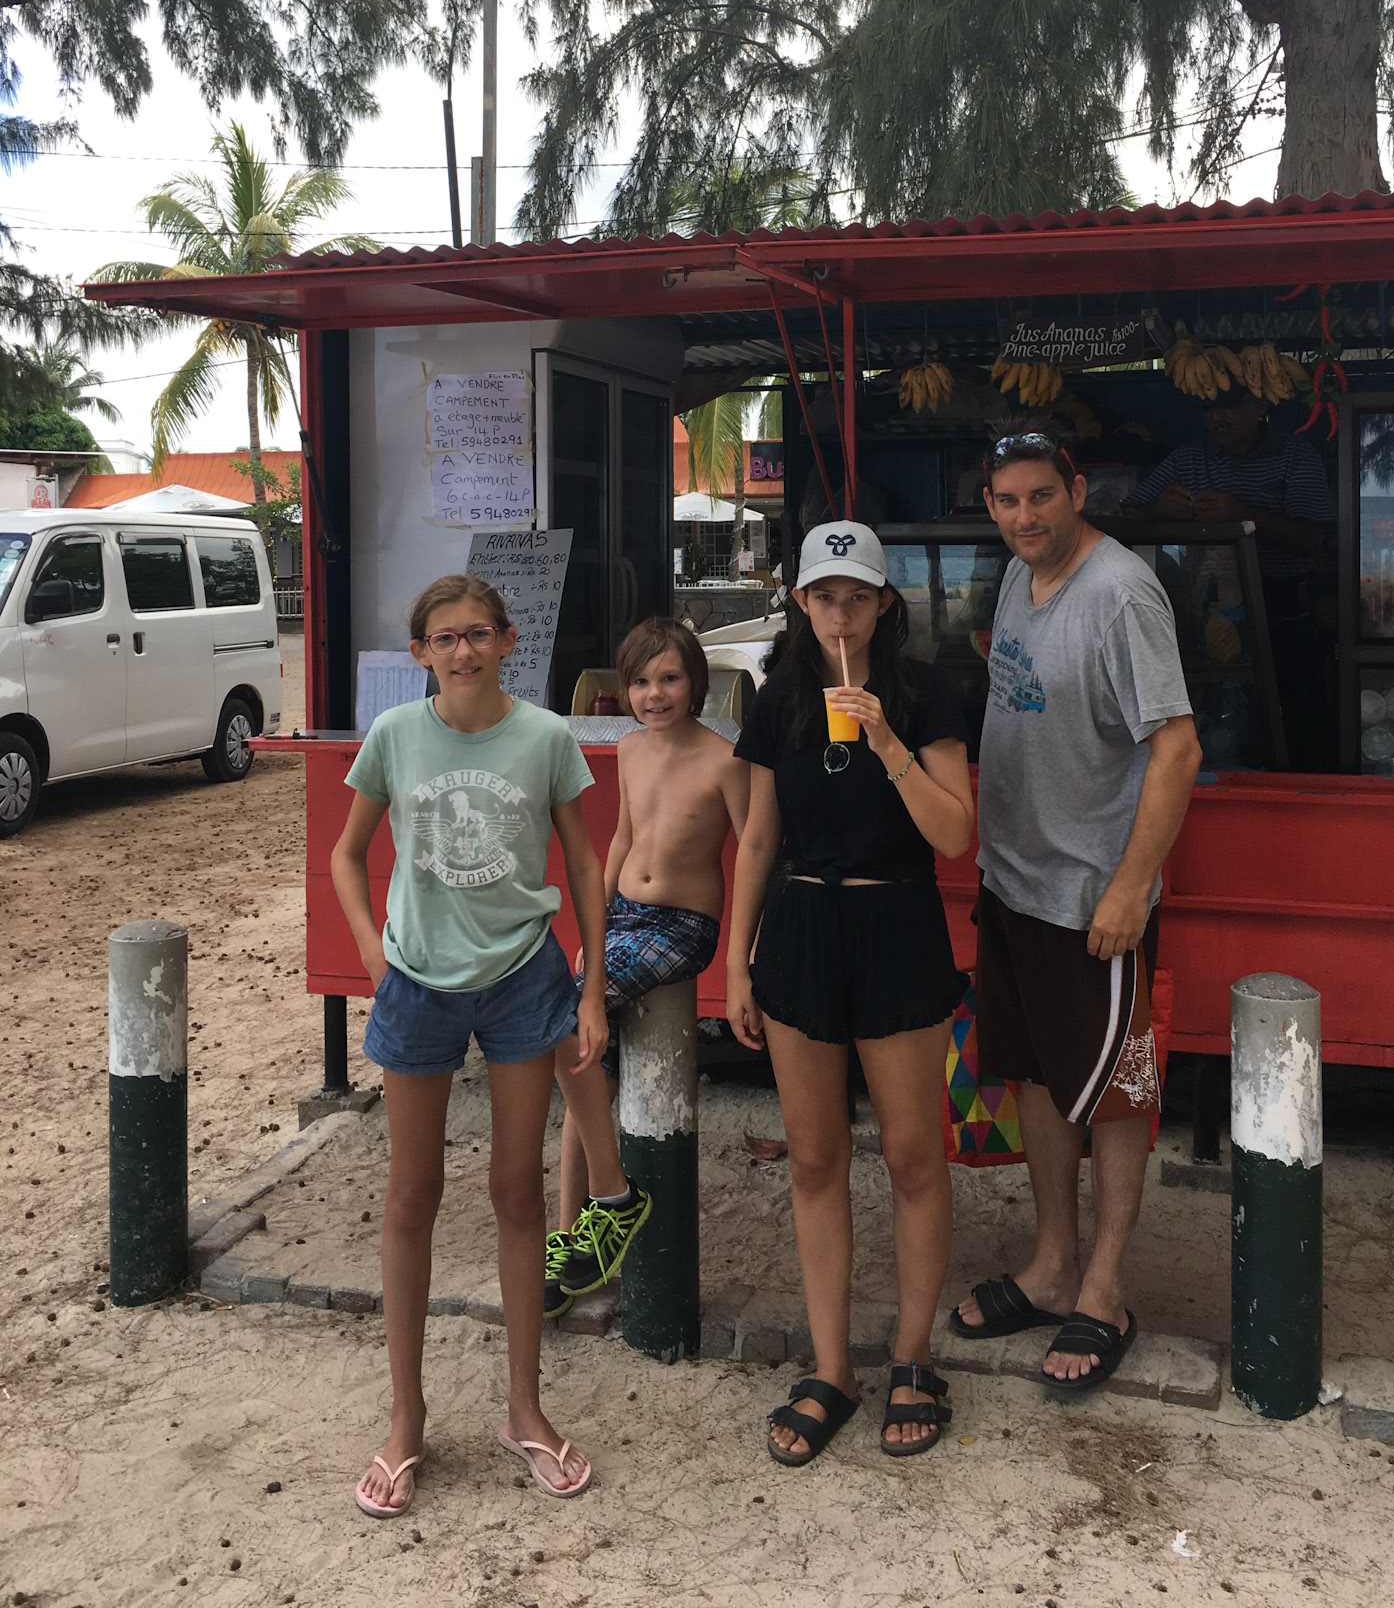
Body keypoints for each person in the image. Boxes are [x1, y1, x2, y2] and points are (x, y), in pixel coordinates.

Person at [332, 574, 607, 1512]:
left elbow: (582, 863)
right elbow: (346, 853)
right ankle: (405, 1418)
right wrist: (372, 954)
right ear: (420, 652)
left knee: (518, 1191)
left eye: (479, 634)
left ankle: (525, 1408)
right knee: (412, 1193)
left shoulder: (547, 737)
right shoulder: (394, 735)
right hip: (416, 983)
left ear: (508, 639)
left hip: (524, 975)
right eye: (444, 638)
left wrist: (591, 986)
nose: (463, 651)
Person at [953, 433, 1201, 1392]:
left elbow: (1176, 748)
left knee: (1116, 1089)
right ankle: (1053, 1262)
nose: (1026, 516)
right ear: (990, 505)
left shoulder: (1122, 593)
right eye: (1008, 500)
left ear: (1078, 492)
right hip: (1014, 881)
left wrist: (1132, 885)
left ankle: (1105, 1288)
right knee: (1035, 1075)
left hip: (1093, 894)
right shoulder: (1020, 579)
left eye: (1042, 496)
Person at [727, 521, 975, 1465]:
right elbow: (758, 837)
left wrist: (886, 740)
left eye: (858, 597)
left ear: (883, 603)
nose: (841, 613)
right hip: (801, 927)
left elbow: (954, 835)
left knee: (913, 1154)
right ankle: (831, 1367)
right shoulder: (779, 698)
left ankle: (913, 1357)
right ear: (801, 603)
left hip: (897, 922)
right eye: (825, 596)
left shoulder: (923, 692)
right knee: (813, 1158)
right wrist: (737, 962)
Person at [545, 617, 748, 1316]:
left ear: (696, 682)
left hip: (683, 926)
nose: (654, 694)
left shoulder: (726, 759)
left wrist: (746, 955)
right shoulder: (629, 748)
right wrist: (594, 928)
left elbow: (754, 852)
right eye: (639, 682)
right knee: (584, 1066)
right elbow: (622, 838)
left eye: (669, 679)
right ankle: (571, 1237)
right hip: (624, 917)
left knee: (566, 1018)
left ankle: (614, 1203)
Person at [1123, 388, 1334, 767]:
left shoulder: (1294, 456)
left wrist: (1245, 515)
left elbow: (1313, 540)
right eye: (1208, 408)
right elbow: (1127, 516)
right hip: (1200, 619)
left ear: (1261, 404)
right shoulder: (1189, 459)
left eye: (1230, 406)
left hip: (1280, 617)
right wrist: (1158, 508)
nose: (1217, 417)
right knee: (1212, 726)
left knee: (1290, 733)